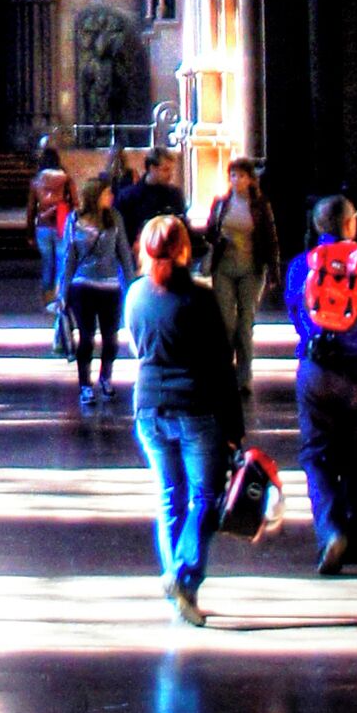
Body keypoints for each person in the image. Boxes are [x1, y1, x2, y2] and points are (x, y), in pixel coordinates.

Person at [122, 213, 243, 623]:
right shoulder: (201, 298)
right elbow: (223, 365)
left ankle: (180, 590)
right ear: (183, 250)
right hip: (196, 407)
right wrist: (235, 427)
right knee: (205, 497)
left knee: (170, 497)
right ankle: (183, 575)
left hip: (148, 406)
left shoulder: (135, 295)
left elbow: (136, 345)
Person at [284, 194, 357, 574]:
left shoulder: (299, 266)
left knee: (316, 455)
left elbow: (296, 310)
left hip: (316, 370)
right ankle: (355, 539)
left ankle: (329, 530)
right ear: (350, 224)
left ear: (317, 226)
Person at [201, 155, 281, 402]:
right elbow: (208, 232)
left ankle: (244, 378)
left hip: (251, 268)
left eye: (242, 176)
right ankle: (224, 373)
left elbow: (270, 239)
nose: (237, 180)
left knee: (245, 323)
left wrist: (274, 272)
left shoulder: (260, 206)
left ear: (250, 179)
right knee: (225, 323)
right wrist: (217, 237)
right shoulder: (221, 203)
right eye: (233, 175)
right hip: (224, 267)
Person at [57, 177, 130, 412]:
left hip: (110, 287)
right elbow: (69, 257)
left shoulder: (114, 219)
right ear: (95, 195)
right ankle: (84, 384)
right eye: (107, 193)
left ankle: (106, 376)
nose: (111, 197)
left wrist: (131, 285)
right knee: (87, 336)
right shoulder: (75, 220)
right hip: (83, 285)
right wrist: (63, 290)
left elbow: (124, 254)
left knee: (111, 337)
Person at [117, 149, 186, 263]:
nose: (170, 175)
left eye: (171, 170)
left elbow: (181, 226)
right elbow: (121, 231)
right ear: (152, 168)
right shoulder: (128, 197)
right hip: (138, 258)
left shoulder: (175, 195)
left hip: (168, 259)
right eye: (165, 170)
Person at [27, 142, 74, 307]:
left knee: (47, 262)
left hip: (43, 226)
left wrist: (30, 232)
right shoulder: (66, 178)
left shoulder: (36, 181)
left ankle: (47, 297)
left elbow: (31, 208)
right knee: (62, 260)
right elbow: (75, 202)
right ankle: (60, 294)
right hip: (61, 224)